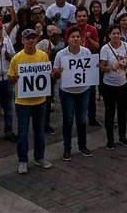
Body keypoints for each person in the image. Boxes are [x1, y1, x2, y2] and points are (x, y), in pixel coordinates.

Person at [10, 28, 54, 173]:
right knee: (22, 133)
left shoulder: (43, 56)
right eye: (28, 38)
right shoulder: (16, 58)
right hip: (22, 103)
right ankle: (23, 160)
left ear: (36, 40)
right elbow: (10, 78)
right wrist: (15, 79)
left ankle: (39, 157)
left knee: (39, 132)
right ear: (22, 40)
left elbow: (48, 74)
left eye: (33, 38)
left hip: (40, 101)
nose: (30, 41)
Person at [53, 28, 94, 160]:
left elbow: (91, 70)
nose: (76, 39)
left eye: (77, 36)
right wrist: (57, 72)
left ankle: (83, 145)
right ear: (68, 39)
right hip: (67, 92)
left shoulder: (86, 52)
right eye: (73, 36)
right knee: (68, 120)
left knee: (82, 120)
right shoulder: (61, 54)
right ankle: (67, 148)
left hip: (83, 90)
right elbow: (54, 74)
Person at [99, 25, 127, 148]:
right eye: (113, 33)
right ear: (109, 35)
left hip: (123, 84)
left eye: (118, 33)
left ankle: (122, 136)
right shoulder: (105, 49)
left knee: (122, 111)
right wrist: (111, 68)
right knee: (109, 112)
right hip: (109, 85)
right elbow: (102, 67)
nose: (116, 36)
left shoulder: (126, 46)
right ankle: (110, 139)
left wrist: (126, 65)